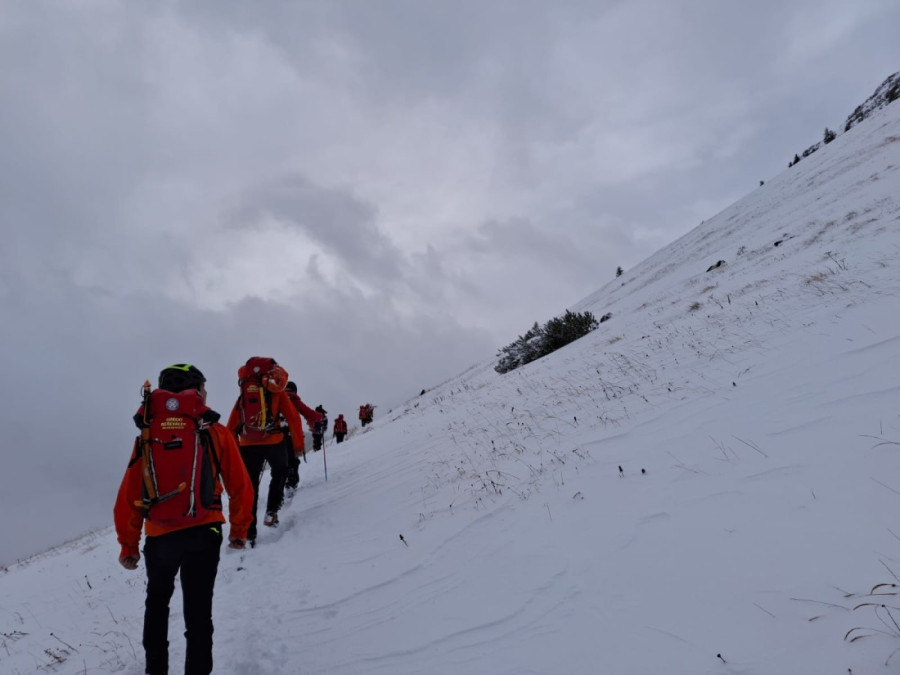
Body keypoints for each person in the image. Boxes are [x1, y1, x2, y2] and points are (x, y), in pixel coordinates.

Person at [114, 363, 253, 675]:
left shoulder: (147, 436)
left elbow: (128, 495)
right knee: (199, 611)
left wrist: (128, 546)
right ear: (198, 390)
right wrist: (240, 529)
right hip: (206, 529)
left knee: (157, 604)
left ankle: (156, 670)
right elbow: (240, 484)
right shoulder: (214, 431)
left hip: (160, 535)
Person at [227, 357, 305, 539]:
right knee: (280, 473)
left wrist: (233, 449)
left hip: (247, 444)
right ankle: (271, 512)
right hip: (274, 442)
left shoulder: (244, 392)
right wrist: (298, 445)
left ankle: (249, 530)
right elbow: (293, 417)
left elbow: (232, 424)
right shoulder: (277, 391)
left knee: (250, 486)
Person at [282, 381, 323, 491]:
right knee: (292, 461)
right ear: (294, 390)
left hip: (274, 436)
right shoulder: (293, 400)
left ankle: (280, 484)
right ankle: (291, 484)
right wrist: (320, 416)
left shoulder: (276, 399)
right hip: (290, 435)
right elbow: (308, 413)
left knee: (280, 461)